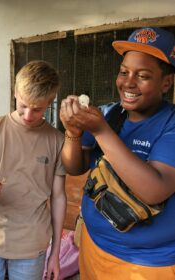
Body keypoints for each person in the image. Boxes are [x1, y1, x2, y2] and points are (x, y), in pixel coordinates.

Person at [60, 27, 175, 280]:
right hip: (94, 244)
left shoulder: (171, 123)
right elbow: (74, 167)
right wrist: (73, 132)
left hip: (146, 262)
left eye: (142, 75)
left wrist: (101, 131)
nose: (128, 82)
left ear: (166, 83)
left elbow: (156, 189)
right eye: (124, 72)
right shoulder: (109, 114)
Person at [0, 60, 67, 280]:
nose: (28, 115)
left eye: (37, 109)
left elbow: (58, 197)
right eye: (23, 105)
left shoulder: (57, 140)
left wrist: (55, 253)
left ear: (50, 101)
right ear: (16, 92)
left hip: (31, 247)